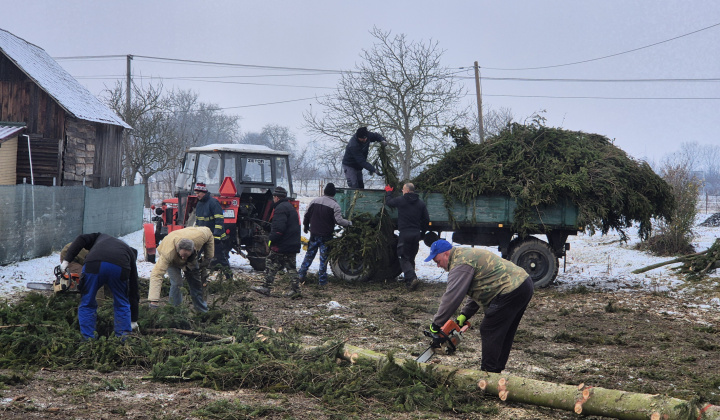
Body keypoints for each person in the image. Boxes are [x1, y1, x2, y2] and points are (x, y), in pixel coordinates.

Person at [425, 239, 534, 373]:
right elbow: (479, 288)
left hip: (511, 288)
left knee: (489, 328)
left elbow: (452, 297)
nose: (438, 266)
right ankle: (496, 369)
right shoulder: (464, 256)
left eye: (437, 261)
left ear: (446, 254)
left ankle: (489, 373)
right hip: (523, 284)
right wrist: (464, 315)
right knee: (504, 330)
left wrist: (437, 324)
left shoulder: (460, 263)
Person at [61, 233, 139, 340]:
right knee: (122, 303)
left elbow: (81, 238)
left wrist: (66, 261)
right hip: (119, 267)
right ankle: (123, 339)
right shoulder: (128, 254)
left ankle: (89, 340)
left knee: (87, 302)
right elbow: (134, 289)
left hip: (94, 264)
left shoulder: (100, 237)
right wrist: (133, 319)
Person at [148, 226, 214, 313]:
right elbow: (157, 274)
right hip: (173, 260)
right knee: (177, 283)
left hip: (191, 259)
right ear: (177, 247)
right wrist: (154, 301)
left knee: (196, 283)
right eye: (182, 255)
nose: (183, 258)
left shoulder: (199, 237)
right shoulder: (168, 254)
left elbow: (209, 232)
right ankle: (174, 311)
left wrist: (208, 258)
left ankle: (202, 311)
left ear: (193, 249)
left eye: (186, 256)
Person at [250, 186, 302, 297]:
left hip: (282, 244)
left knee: (270, 263)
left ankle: (266, 287)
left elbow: (278, 229)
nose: (273, 199)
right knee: (291, 267)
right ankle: (296, 290)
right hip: (292, 243)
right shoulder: (289, 207)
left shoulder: (280, 208)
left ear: (277, 197)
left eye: (274, 197)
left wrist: (271, 241)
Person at [297, 183, 352, 286]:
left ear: (324, 191)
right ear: (334, 194)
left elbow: (306, 215)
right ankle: (322, 282)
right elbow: (339, 221)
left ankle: (301, 275)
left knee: (309, 256)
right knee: (324, 259)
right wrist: (349, 223)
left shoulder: (314, 201)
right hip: (326, 236)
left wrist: (305, 226)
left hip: (314, 234)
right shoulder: (335, 206)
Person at [385, 182, 429, 291]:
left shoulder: (401, 200)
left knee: (403, 257)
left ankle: (412, 278)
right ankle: (410, 282)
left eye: (403, 190)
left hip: (405, 233)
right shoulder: (421, 203)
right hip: (416, 234)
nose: (402, 191)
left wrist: (389, 192)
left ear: (408, 191)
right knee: (411, 257)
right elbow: (426, 220)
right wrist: (422, 233)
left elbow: (389, 202)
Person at [193, 182, 229, 268]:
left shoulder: (213, 203)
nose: (197, 195)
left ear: (203, 192)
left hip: (214, 237)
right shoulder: (199, 204)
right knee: (194, 257)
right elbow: (198, 222)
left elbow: (219, 220)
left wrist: (216, 235)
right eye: (196, 193)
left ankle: (229, 278)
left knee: (221, 259)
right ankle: (194, 279)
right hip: (203, 237)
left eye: (198, 193)